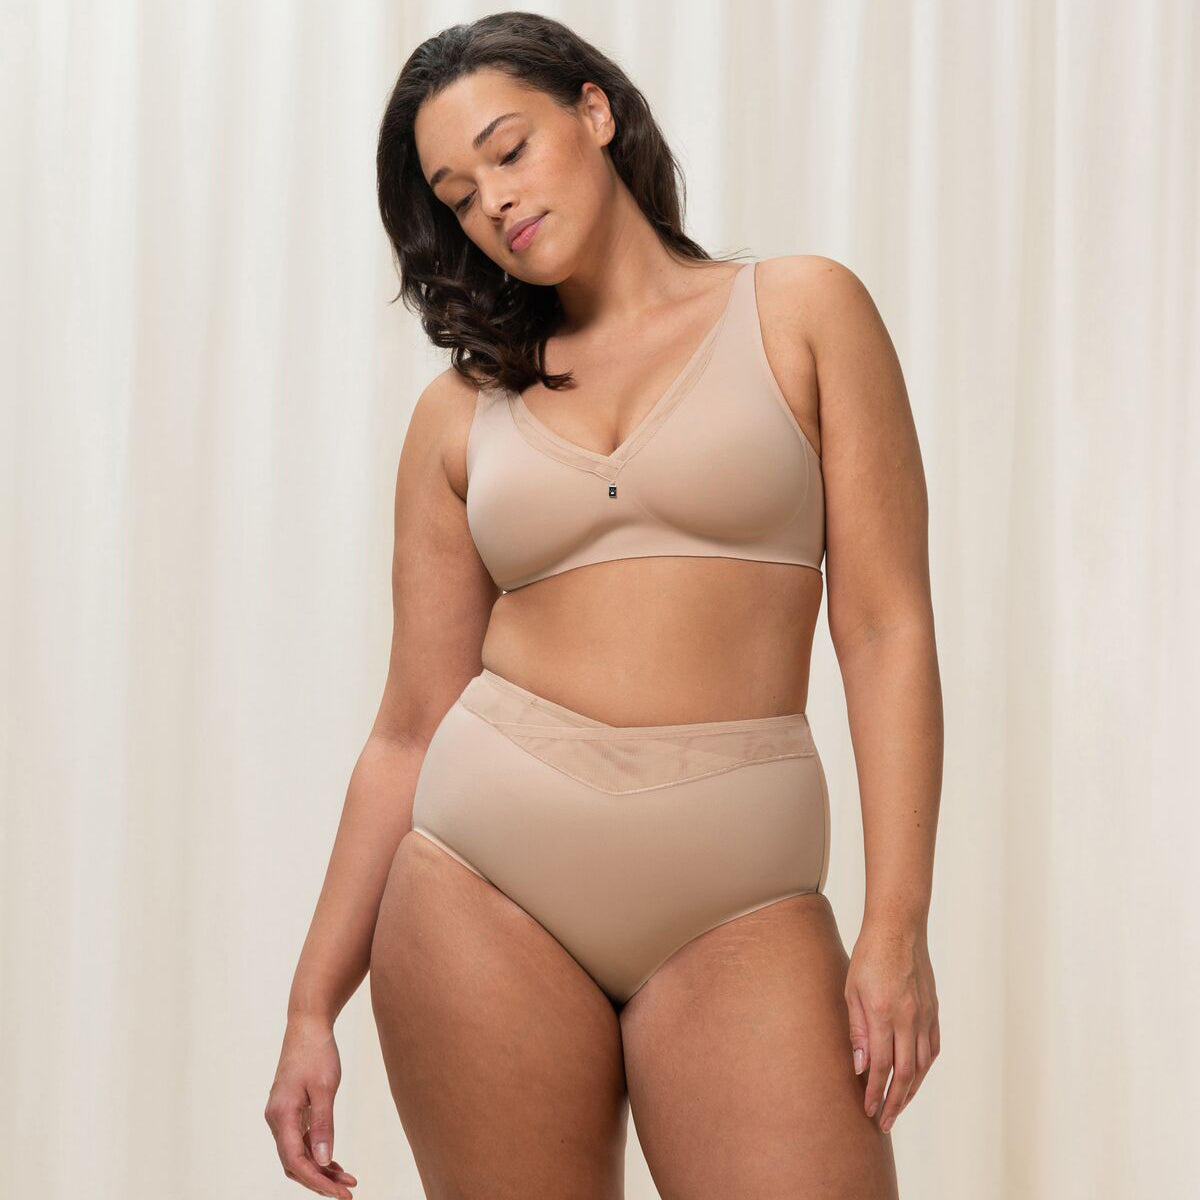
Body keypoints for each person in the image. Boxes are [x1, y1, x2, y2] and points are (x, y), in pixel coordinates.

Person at [264, 12, 942, 1200]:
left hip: (740, 898)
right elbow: (409, 728)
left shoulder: (802, 312)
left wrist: (897, 924)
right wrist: (312, 1005)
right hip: (484, 887)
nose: (494, 202)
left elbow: (885, 631)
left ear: (594, 110)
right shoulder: (460, 414)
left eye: (508, 149)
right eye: (459, 196)